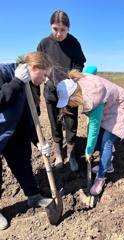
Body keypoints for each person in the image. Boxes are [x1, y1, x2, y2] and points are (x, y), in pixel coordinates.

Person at [56, 70, 124, 196]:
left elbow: (94, 128)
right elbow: (92, 67)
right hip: (109, 104)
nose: (69, 105)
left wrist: (88, 151)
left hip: (120, 107)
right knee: (101, 138)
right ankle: (108, 166)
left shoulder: (93, 98)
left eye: (69, 101)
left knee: (106, 142)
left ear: (74, 96)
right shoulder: (79, 79)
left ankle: (100, 178)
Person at [0, 52, 52, 230]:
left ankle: (33, 195)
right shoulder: (3, 73)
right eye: (44, 75)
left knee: (22, 162)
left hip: (14, 133)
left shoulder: (30, 86)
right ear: (34, 67)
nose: (45, 80)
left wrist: (39, 141)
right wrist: (15, 83)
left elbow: (31, 118)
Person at [37, 10, 86, 171]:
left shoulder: (74, 43)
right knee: (55, 124)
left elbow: (79, 63)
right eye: (55, 29)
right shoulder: (44, 44)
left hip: (70, 92)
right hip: (51, 91)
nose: (59, 33)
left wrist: (73, 78)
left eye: (62, 30)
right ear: (50, 27)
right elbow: (39, 65)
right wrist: (44, 77)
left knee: (71, 124)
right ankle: (59, 155)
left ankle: (71, 156)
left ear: (68, 28)